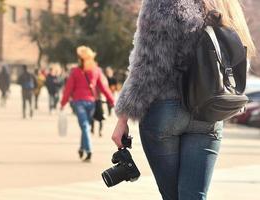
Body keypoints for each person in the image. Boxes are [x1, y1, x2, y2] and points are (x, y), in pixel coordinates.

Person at [111, 0, 256, 200]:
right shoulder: (225, 4)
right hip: (208, 112)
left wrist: (123, 118)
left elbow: (148, 65)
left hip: (166, 111)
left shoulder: (162, 4)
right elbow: (239, 63)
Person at [60, 46, 114, 162]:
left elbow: (68, 89)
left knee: (85, 127)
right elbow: (104, 88)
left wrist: (63, 103)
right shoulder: (94, 70)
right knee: (85, 127)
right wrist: (112, 101)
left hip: (81, 102)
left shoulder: (78, 71)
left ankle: (86, 149)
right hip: (90, 102)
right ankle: (86, 149)